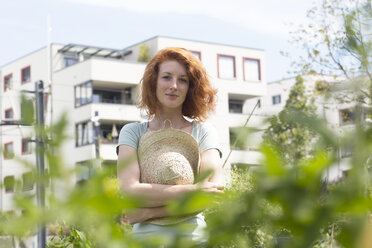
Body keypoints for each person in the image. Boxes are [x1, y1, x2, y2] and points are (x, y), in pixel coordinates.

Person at [116, 47, 224, 246]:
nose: (174, 85)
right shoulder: (132, 132)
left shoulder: (204, 132)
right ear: (153, 82)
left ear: (190, 87)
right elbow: (129, 190)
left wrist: (147, 212)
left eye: (182, 79)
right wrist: (193, 192)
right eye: (167, 77)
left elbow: (214, 192)